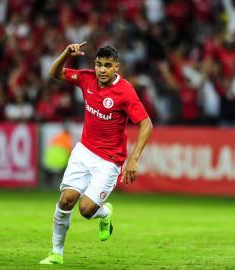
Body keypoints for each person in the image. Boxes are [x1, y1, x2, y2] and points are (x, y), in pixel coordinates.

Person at [39, 43, 153, 265]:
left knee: (86, 210)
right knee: (66, 200)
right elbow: (55, 73)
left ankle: (104, 213)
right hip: (84, 151)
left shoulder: (126, 91)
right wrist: (66, 53)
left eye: (107, 66)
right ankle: (56, 253)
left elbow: (146, 124)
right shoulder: (87, 78)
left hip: (109, 161)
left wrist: (134, 158)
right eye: (99, 64)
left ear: (116, 68)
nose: (102, 70)